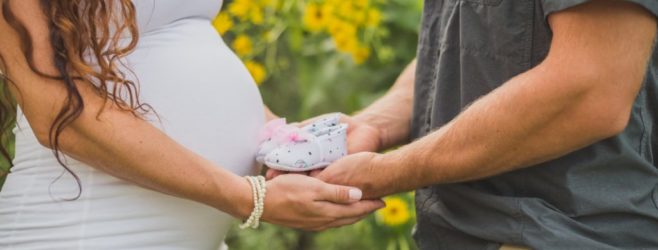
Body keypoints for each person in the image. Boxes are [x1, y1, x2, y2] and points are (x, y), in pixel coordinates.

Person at [270, 0, 658, 249]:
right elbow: (468, 44)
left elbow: (591, 89)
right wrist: (375, 124)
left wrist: (389, 170)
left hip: (571, 232)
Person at [0, 0, 383, 249]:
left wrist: (294, 142)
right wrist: (247, 197)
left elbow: (178, 43)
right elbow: (55, 109)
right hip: (86, 231)